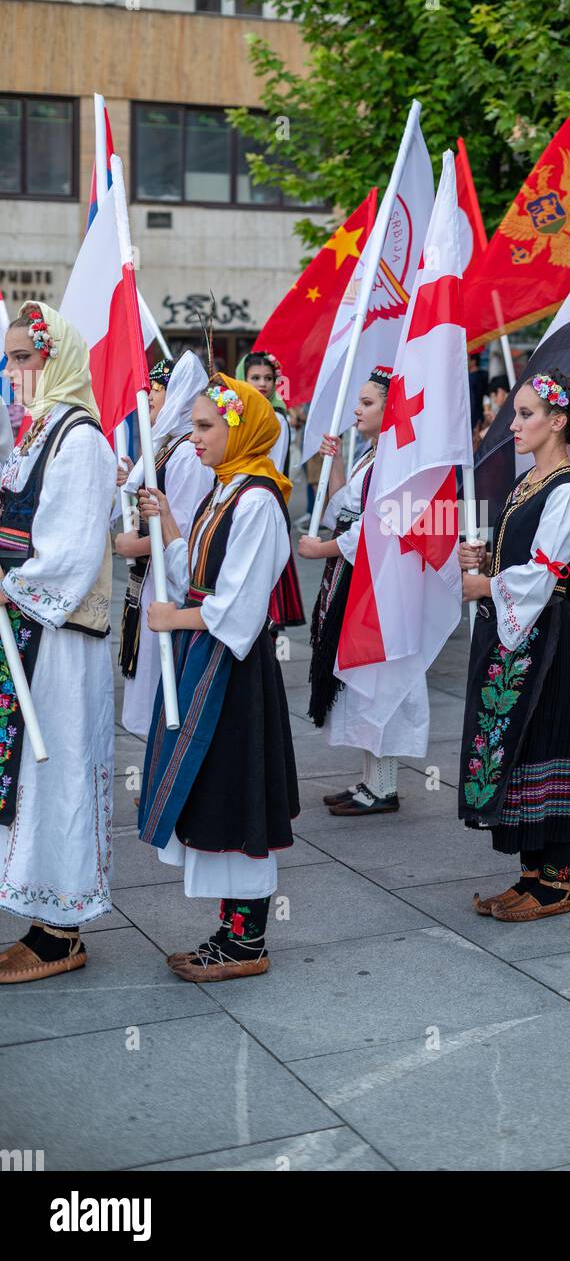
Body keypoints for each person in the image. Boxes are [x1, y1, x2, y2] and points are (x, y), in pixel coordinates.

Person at [136, 374, 299, 981]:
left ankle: (247, 941)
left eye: (206, 426)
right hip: (205, 656)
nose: (194, 436)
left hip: (232, 669)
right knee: (217, 790)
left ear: (239, 429)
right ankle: (232, 932)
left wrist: (172, 618)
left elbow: (239, 606)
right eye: (195, 425)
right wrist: (170, 519)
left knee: (235, 790)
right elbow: (194, 573)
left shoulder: (255, 500)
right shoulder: (224, 491)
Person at [0, 303, 116, 983]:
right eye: (10, 358)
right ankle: (40, 915)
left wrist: (13, 583)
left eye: (25, 358)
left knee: (60, 769)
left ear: (56, 359)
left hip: (59, 639)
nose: (15, 371)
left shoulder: (81, 438)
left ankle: (60, 930)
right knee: (30, 778)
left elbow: (70, 551)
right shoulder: (36, 432)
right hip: (25, 630)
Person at [458, 368, 570, 921]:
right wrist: (485, 563)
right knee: (516, 745)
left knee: (545, 742)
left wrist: (487, 583)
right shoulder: (527, 484)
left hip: (545, 638)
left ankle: (556, 883)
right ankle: (530, 875)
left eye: (525, 414)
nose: (512, 423)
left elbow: (544, 571)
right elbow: (517, 560)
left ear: (557, 421)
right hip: (513, 632)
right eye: (515, 413)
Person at [298, 366, 428, 815]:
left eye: (368, 403)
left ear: (389, 410)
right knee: (361, 677)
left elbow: (375, 529)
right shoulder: (372, 456)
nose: (357, 409)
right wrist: (333, 464)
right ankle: (371, 780)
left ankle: (384, 787)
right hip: (358, 579)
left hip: (379, 584)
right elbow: (344, 507)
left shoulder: (397, 460)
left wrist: (320, 550)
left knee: (381, 678)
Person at [115, 353, 213, 739]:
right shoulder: (167, 444)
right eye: (151, 388)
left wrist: (132, 546)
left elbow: (184, 532)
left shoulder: (188, 452)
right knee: (152, 684)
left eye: (159, 388)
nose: (151, 396)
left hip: (170, 580)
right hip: (151, 577)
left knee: (166, 683)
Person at [237, 350, 305, 628]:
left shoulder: (275, 417)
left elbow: (271, 469)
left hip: (262, 503)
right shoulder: (239, 413)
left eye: (268, 378)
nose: (262, 384)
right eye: (255, 377)